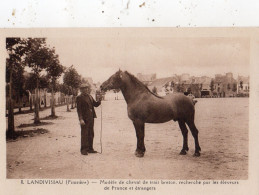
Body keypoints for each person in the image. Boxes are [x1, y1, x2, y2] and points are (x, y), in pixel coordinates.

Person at [76, 83, 101, 155]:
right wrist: (81, 119)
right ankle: (83, 149)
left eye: (87, 88)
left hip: (91, 117)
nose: (86, 89)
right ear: (81, 90)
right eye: (84, 88)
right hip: (84, 119)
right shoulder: (79, 97)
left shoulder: (90, 96)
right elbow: (79, 109)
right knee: (84, 134)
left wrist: (99, 100)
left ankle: (90, 148)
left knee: (91, 133)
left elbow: (95, 104)